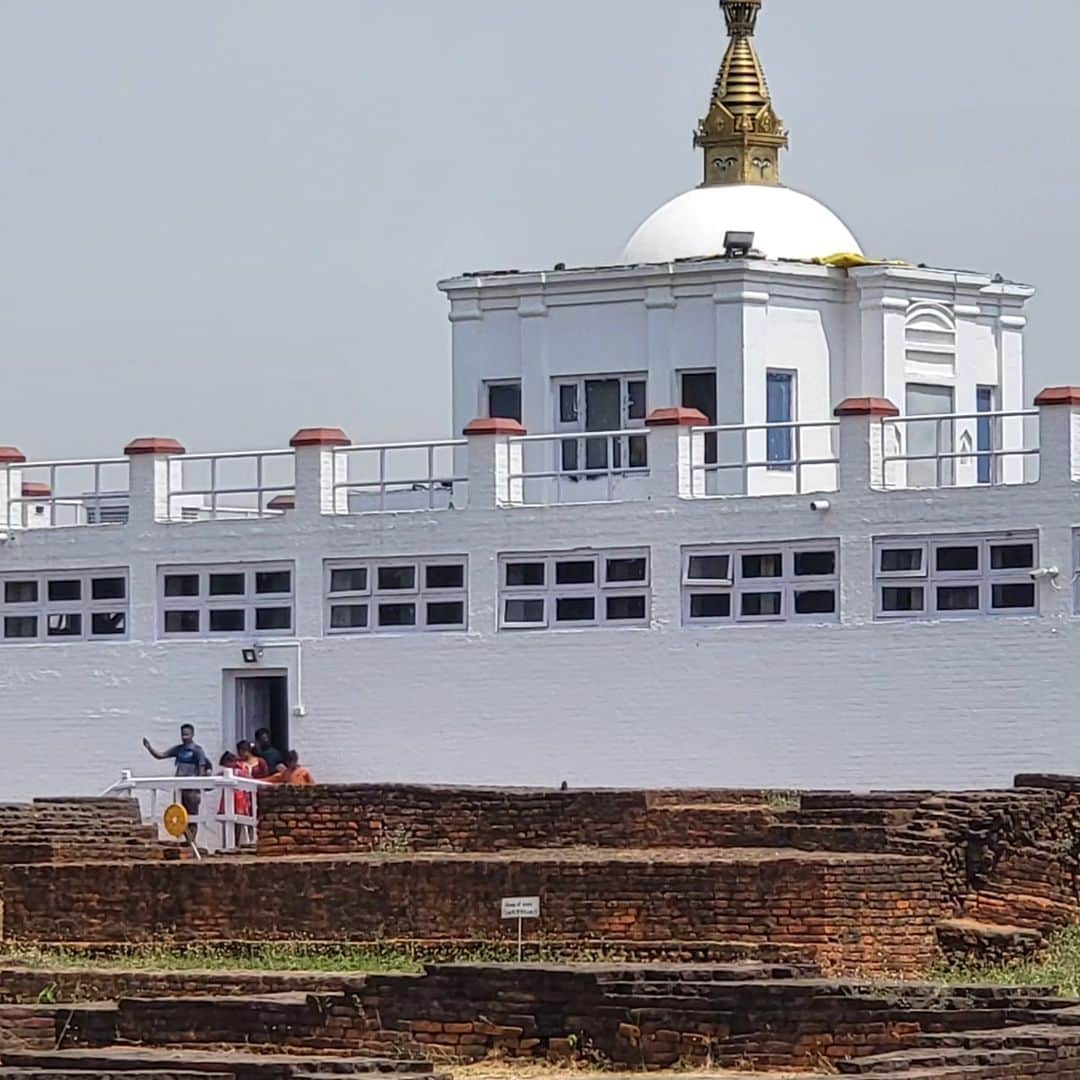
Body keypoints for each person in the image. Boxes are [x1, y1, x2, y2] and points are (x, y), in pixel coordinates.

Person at [142, 724, 211, 844]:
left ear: (192, 734)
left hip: (192, 788)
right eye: (183, 734)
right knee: (180, 814)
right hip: (180, 787)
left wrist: (198, 784)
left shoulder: (197, 750)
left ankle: (192, 840)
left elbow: (201, 767)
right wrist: (149, 748)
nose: (185, 737)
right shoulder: (179, 749)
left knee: (192, 815)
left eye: (187, 734)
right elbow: (161, 755)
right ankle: (186, 838)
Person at [218, 750, 254, 846]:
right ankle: (227, 843)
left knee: (237, 822)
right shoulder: (224, 773)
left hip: (238, 798)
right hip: (228, 798)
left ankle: (235, 843)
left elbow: (249, 780)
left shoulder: (239, 771)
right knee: (227, 821)